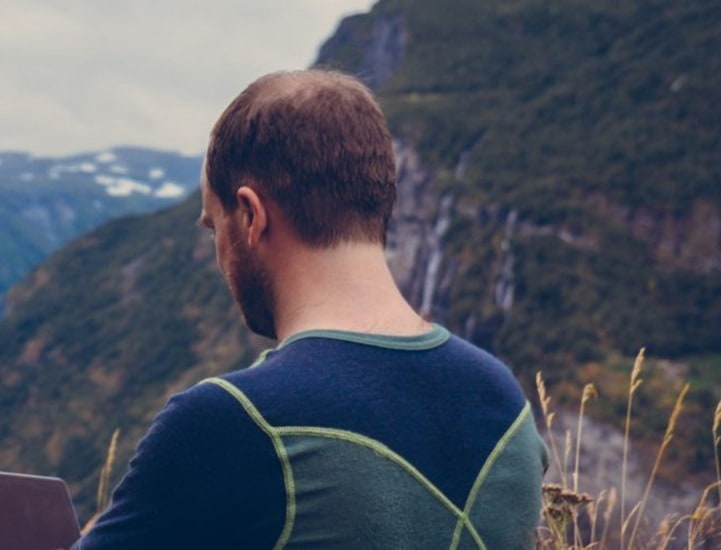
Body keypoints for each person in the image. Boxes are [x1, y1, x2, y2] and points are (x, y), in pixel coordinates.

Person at [73, 70, 547, 549]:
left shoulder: (230, 422)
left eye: (214, 227)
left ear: (251, 215)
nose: (219, 255)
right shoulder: (505, 405)